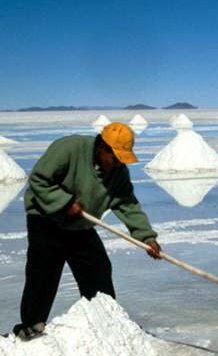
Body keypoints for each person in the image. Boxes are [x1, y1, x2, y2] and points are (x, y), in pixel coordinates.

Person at [15, 122, 161, 340]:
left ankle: (106, 320)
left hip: (79, 224)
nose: (119, 163)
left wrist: (146, 237)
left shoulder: (118, 172)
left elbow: (127, 204)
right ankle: (31, 325)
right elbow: (39, 179)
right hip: (46, 219)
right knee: (43, 272)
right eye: (115, 157)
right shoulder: (69, 148)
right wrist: (64, 202)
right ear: (102, 148)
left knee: (98, 268)